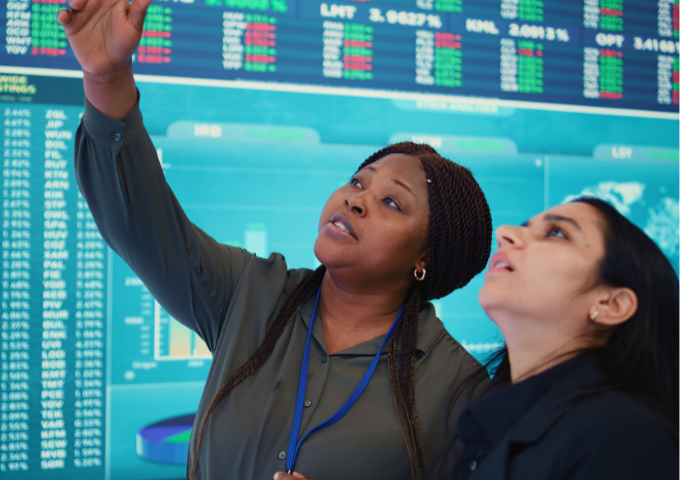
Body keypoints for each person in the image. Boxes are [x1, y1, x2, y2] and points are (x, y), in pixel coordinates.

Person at [57, 0, 494, 479]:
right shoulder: (251, 292)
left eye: (392, 203)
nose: (356, 200)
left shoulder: (459, 389)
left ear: (426, 257)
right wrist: (107, 76)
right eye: (358, 182)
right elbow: (142, 225)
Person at [444, 197, 678, 480]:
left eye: (557, 233)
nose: (505, 233)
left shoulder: (623, 434)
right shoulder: (493, 426)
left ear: (611, 304)